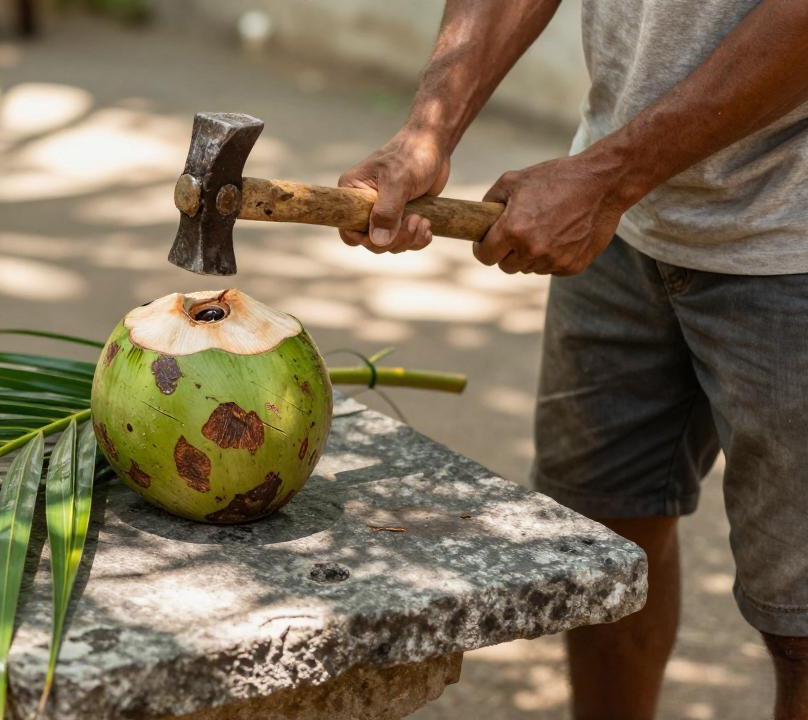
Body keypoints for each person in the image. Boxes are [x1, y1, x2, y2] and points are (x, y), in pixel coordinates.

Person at [336, 1, 808, 718]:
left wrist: (610, 178)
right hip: (625, 219)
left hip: (791, 241)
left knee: (801, 620)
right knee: (604, 548)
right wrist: (427, 131)